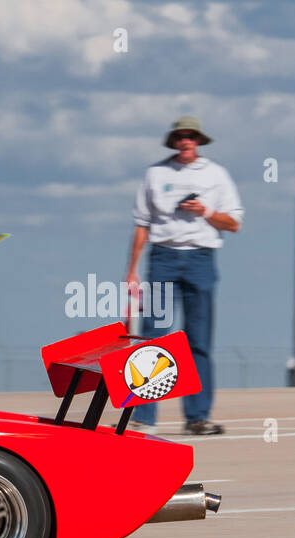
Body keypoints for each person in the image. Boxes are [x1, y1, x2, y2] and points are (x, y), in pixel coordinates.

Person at [126, 115, 242, 436]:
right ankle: (142, 418)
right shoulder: (155, 173)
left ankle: (197, 416)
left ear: (199, 141)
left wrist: (204, 211)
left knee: (199, 340)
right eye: (180, 136)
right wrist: (132, 271)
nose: (186, 141)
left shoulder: (217, 175)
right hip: (162, 257)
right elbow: (141, 225)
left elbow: (233, 223)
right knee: (153, 336)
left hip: (201, 258)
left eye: (191, 136)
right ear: (173, 141)